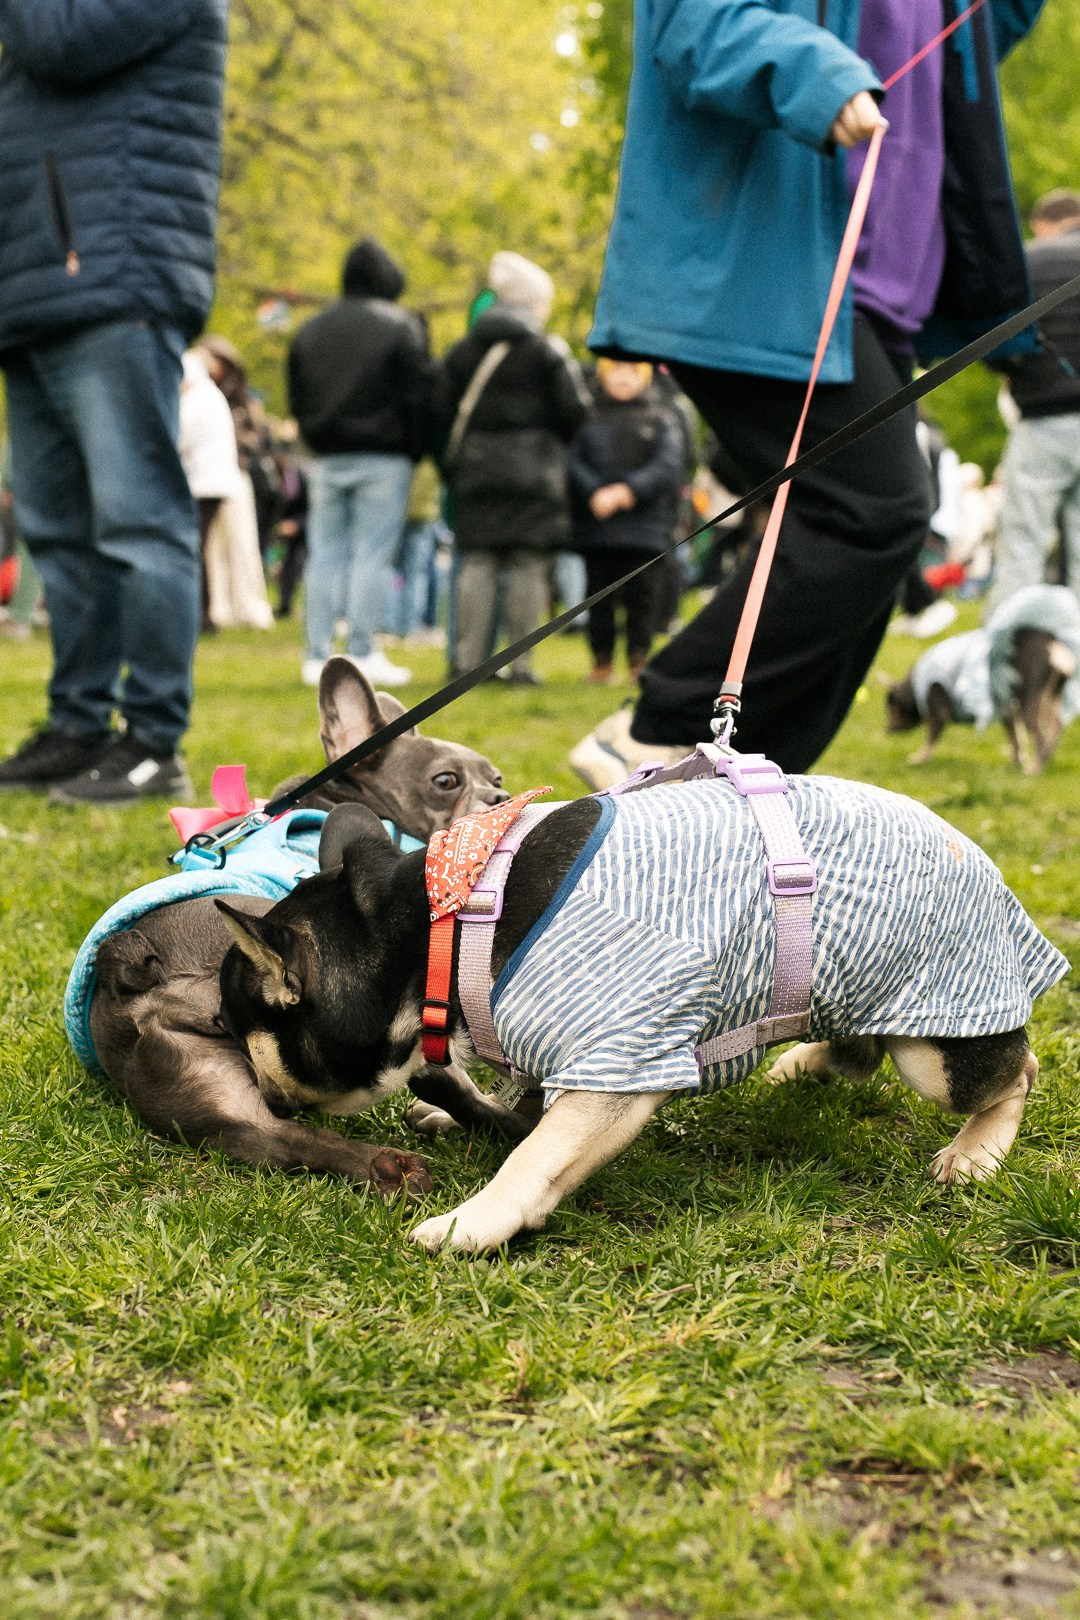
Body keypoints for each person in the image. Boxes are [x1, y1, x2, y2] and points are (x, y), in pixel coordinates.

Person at [570, 0, 1045, 788]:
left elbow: (981, 42)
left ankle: (738, 790)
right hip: (760, 268)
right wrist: (814, 75)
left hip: (881, 289)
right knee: (877, 512)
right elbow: (690, 22)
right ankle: (658, 732)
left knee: (876, 545)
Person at [0, 0, 227, 803]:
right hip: (36, 288)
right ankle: (77, 726)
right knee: (59, 535)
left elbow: (57, 42)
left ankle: (154, 740)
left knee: (139, 522)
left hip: (112, 270)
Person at [287, 238, 437, 688]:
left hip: (327, 457)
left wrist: (315, 438)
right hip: (384, 457)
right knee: (372, 556)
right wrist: (415, 447)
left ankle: (316, 654)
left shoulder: (310, 329)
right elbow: (421, 395)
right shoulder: (401, 327)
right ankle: (361, 649)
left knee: (324, 553)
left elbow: (297, 395)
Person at [440, 251, 590, 686]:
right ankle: (519, 666)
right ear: (531, 303)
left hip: (475, 471)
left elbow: (439, 409)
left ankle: (468, 664)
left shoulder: (464, 352)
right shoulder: (547, 351)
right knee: (527, 565)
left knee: (478, 562)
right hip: (534, 473)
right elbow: (575, 412)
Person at [988, 188, 1080, 611]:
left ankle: (1008, 654)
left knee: (1023, 542)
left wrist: (1014, 371)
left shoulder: (1029, 261)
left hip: (1042, 419)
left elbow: (994, 342)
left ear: (1045, 223)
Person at [568, 359, 686, 682]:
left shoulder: (662, 417)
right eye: (616, 370)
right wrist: (594, 492)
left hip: (646, 529)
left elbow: (668, 465)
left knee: (643, 599)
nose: (623, 377)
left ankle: (639, 660)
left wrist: (628, 491)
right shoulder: (587, 417)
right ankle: (601, 662)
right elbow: (573, 460)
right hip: (598, 528)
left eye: (631, 371)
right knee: (599, 599)